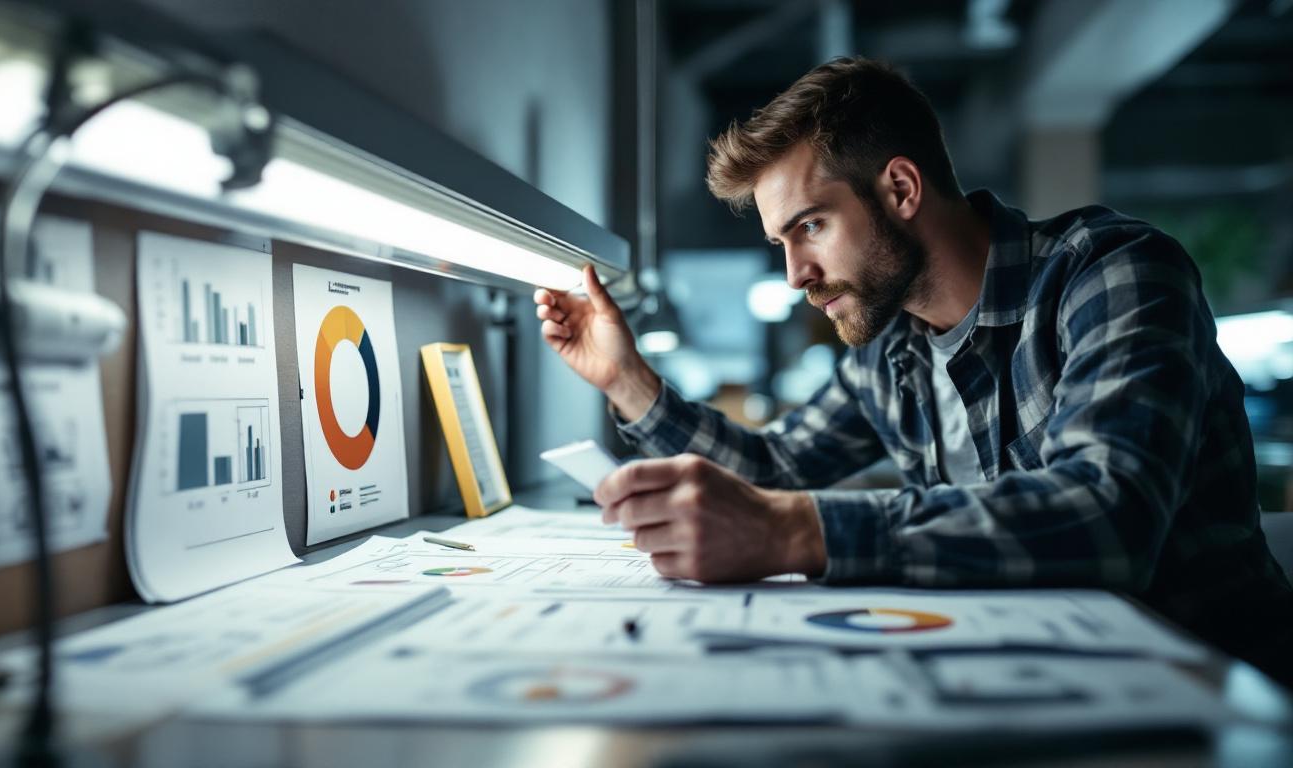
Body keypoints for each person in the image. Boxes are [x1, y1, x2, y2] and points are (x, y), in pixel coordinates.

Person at [533, 57, 1293, 684]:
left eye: (810, 226)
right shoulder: (892, 348)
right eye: (782, 242)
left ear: (900, 189)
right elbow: (776, 468)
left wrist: (798, 531)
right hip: (1039, 686)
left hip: (1218, 703)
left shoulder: (1111, 275)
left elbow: (1106, 516)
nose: (796, 273)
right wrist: (625, 379)